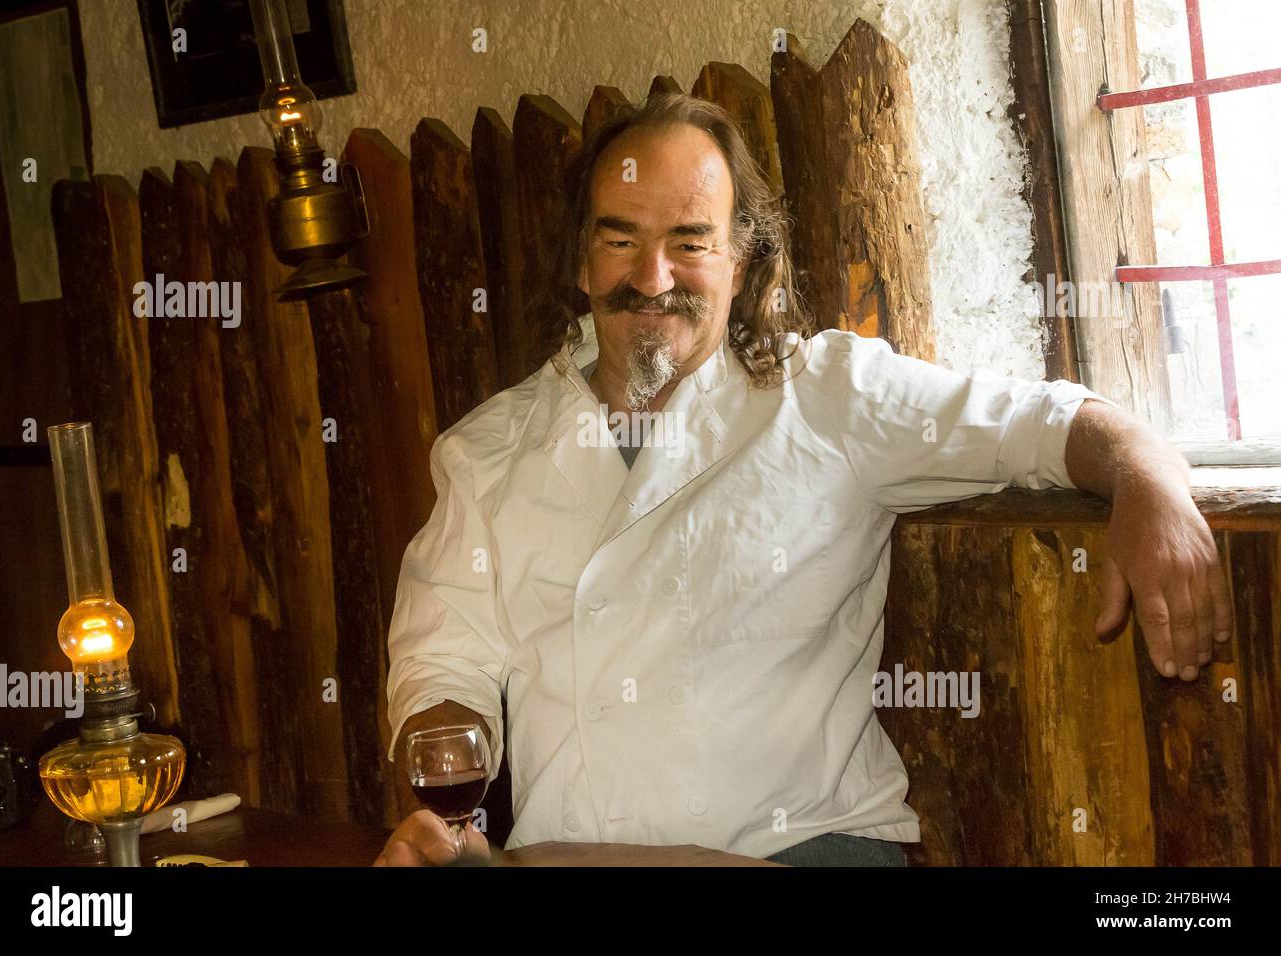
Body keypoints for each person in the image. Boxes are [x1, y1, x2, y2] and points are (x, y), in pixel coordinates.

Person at [373, 94, 1232, 867]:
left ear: (742, 262)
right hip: (562, 855)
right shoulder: (489, 450)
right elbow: (442, 660)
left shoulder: (826, 397)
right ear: (579, 260)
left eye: (690, 242)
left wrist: (1145, 479)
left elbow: (1039, 423)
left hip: (805, 848)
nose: (651, 277)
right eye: (619, 238)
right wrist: (446, 779)